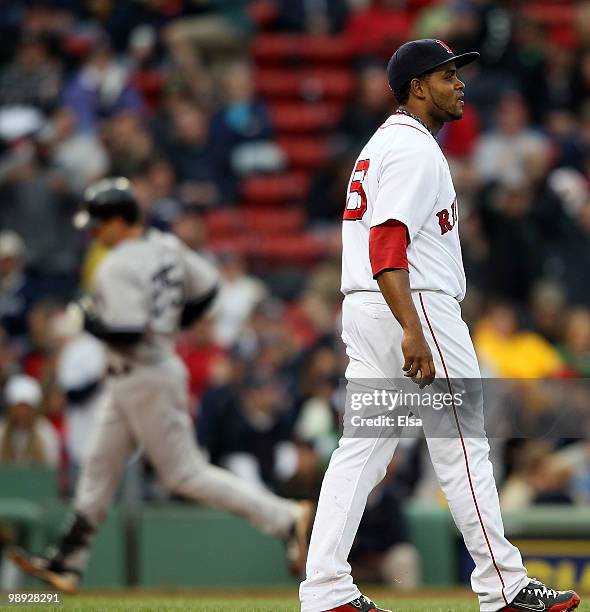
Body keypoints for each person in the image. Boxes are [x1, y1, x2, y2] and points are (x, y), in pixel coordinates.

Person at [299, 39, 581, 612]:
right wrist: (411, 326)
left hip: (366, 305)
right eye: (448, 74)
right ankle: (503, 586)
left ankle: (325, 587)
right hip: (413, 302)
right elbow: (387, 241)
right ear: (417, 86)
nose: (460, 84)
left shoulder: (381, 144)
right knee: (462, 441)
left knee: (364, 448)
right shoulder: (414, 149)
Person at [10, 177, 312, 593]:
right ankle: (68, 561)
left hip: (145, 373)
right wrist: (174, 326)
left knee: (184, 474)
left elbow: (130, 332)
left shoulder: (117, 264)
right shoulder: (164, 246)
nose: (94, 231)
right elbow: (208, 290)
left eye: (99, 223)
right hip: (139, 375)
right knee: (97, 473)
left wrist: (88, 320)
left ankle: (283, 518)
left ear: (120, 220)